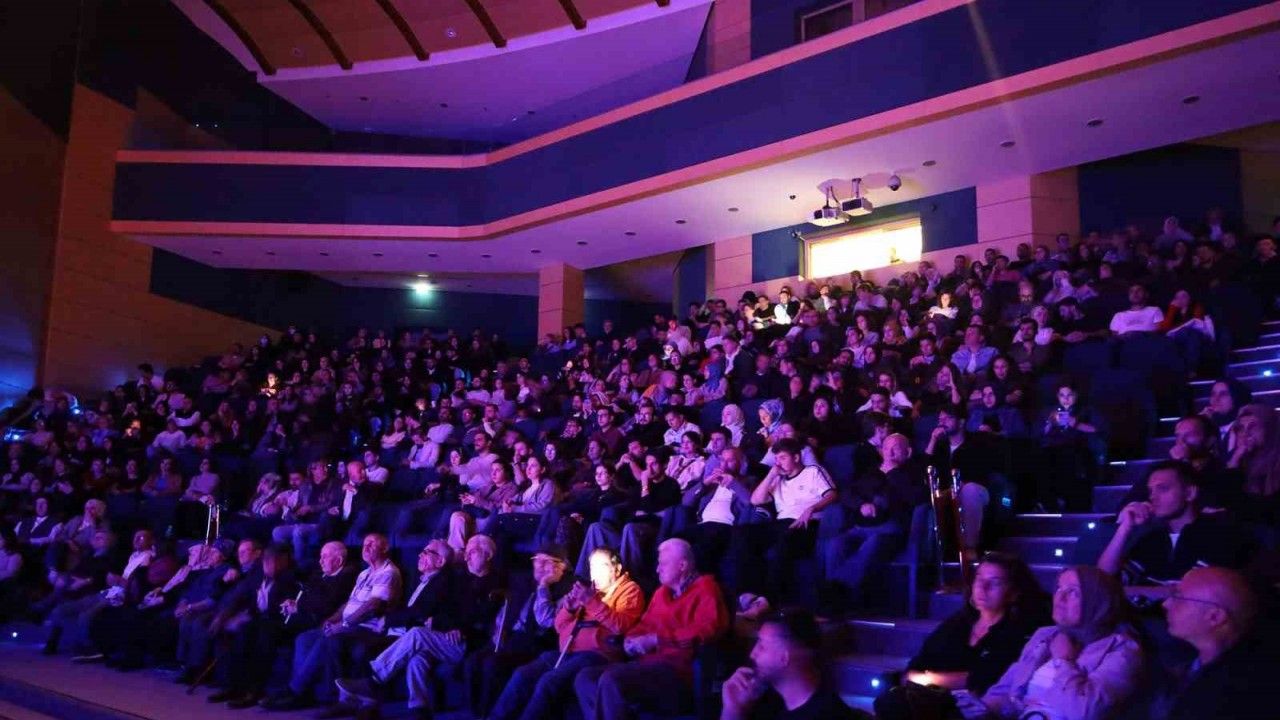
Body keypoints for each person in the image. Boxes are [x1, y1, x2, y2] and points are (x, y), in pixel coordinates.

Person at [334, 534, 504, 719]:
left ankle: (374, 680)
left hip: (469, 642)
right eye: (466, 551)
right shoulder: (462, 579)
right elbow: (450, 612)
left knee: (417, 634)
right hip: (447, 637)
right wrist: (445, 623)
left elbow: (482, 618)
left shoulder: (495, 584)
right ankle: (419, 709)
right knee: (417, 658)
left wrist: (459, 628)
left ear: (488, 555)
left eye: (473, 551)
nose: (467, 556)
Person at [875, 553, 1048, 719]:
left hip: (976, 707)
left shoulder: (1018, 632)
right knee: (891, 699)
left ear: (1013, 593)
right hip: (934, 698)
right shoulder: (959, 622)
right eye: (979, 579)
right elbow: (918, 663)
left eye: (995, 582)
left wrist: (928, 678)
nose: (982, 587)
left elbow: (985, 679)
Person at [574, 538, 730, 720]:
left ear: (682, 565)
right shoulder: (661, 593)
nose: (657, 569)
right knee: (585, 678)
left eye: (663, 564)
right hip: (644, 666)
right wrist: (630, 640)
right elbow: (643, 625)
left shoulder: (707, 589)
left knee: (612, 680)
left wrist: (658, 639)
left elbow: (708, 630)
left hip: (676, 673)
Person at [487, 547, 645, 720]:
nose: (595, 572)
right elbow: (558, 626)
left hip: (597, 654)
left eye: (602, 566)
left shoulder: (629, 590)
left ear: (617, 569)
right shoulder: (588, 590)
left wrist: (591, 601)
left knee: (549, 681)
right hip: (567, 651)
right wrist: (569, 609)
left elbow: (620, 625)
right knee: (523, 675)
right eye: (593, 567)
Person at [967, 566, 1144, 720]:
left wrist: (1064, 661)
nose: (1060, 598)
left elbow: (1085, 712)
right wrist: (978, 709)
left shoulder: (1122, 648)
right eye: (1059, 588)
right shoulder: (1045, 635)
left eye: (1073, 592)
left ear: (1097, 601)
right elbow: (1007, 690)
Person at [264, 533, 402, 710]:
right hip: (349, 624)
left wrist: (344, 624)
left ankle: (296, 691)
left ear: (384, 548)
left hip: (367, 628)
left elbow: (373, 606)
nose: (365, 547)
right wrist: (332, 619)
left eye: (371, 544)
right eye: (364, 544)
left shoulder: (388, 572)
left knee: (327, 639)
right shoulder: (364, 573)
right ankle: (303, 694)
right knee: (304, 638)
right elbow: (348, 604)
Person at [1098, 461, 1253, 602]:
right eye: (1151, 490)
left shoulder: (1218, 533)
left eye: (1162, 489)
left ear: (1190, 493)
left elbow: (1188, 592)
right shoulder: (1153, 539)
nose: (1152, 497)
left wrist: (1127, 591)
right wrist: (1125, 528)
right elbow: (1103, 580)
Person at [464, 544, 575, 719]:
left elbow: (547, 621)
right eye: (537, 560)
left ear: (561, 566)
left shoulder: (567, 589)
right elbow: (506, 610)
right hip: (510, 636)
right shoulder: (524, 582)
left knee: (492, 665)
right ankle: (476, 714)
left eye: (547, 561)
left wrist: (544, 585)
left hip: (537, 643)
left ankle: (489, 715)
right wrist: (498, 630)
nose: (540, 566)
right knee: (472, 661)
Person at [1160, 567, 1280, 719]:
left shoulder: (1218, 699)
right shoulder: (1194, 665)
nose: (1166, 604)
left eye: (1178, 597)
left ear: (1214, 617)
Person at [721, 608, 864, 719]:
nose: (753, 654)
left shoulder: (827, 714)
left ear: (785, 657)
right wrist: (733, 709)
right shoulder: (768, 702)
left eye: (762, 646)